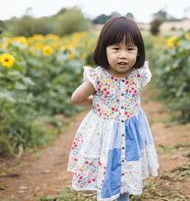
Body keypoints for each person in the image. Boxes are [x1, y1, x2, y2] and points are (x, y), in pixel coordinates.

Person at [67, 16, 159, 201]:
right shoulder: (99, 77)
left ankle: (123, 197)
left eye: (130, 49)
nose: (123, 55)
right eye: (116, 49)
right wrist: (97, 102)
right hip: (106, 133)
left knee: (127, 168)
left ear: (138, 52)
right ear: (104, 50)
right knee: (109, 168)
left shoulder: (138, 75)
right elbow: (77, 98)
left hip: (131, 131)